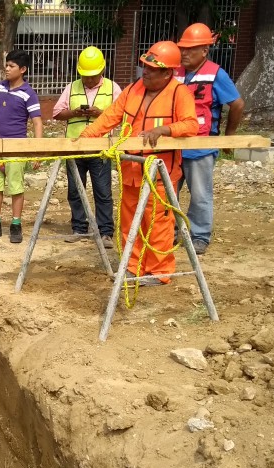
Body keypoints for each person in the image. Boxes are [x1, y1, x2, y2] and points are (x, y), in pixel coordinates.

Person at [79, 41, 198, 285]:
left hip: (159, 175)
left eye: (152, 69)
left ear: (168, 73)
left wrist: (166, 129)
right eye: (144, 66)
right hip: (130, 170)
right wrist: (85, 138)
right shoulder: (133, 90)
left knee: (157, 223)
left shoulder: (179, 93)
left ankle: (159, 272)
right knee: (130, 222)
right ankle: (133, 267)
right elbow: (110, 117)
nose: (145, 71)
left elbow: (191, 125)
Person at [175, 23, 245, 255]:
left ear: (204, 50)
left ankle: (199, 236)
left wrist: (229, 135)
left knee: (200, 194)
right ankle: (172, 231)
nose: (184, 53)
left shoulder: (216, 74)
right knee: (167, 191)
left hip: (201, 146)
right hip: (173, 145)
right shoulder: (174, 72)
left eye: (190, 49)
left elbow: (236, 104)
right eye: (182, 49)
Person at [53, 46, 122, 249]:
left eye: (93, 76)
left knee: (103, 191)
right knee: (75, 190)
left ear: (102, 71)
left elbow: (122, 115)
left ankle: (105, 232)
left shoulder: (112, 88)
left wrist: (100, 113)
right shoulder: (71, 87)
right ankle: (79, 228)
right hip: (74, 147)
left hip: (101, 148)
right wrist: (74, 113)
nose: (89, 80)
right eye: (86, 76)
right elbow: (57, 113)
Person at [0, 49, 44, 244]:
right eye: (7, 64)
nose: (7, 68)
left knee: (16, 187)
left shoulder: (28, 93)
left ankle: (16, 224)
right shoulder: (0, 87)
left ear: (23, 69)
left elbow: (37, 122)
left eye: (11, 66)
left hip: (17, 146)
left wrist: (37, 152)